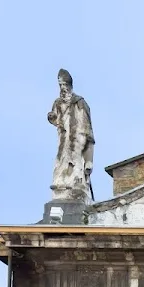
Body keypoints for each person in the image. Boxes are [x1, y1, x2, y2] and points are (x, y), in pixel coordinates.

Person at [47, 69, 94, 202]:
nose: (62, 88)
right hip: (64, 137)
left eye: (64, 85)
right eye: (60, 85)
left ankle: (77, 182)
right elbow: (55, 118)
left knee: (75, 159)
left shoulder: (79, 102)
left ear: (69, 85)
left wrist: (89, 157)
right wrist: (52, 118)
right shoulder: (57, 102)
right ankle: (61, 184)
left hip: (77, 137)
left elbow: (86, 124)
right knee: (61, 158)